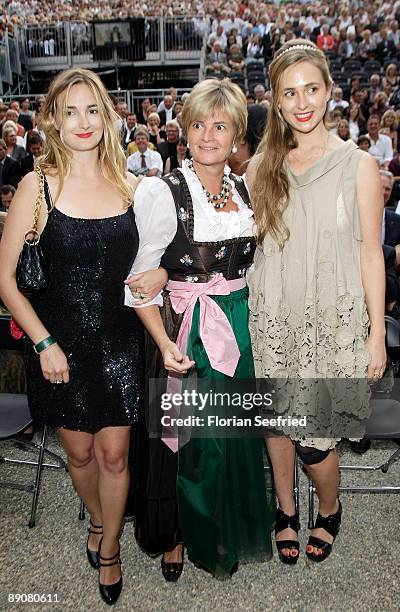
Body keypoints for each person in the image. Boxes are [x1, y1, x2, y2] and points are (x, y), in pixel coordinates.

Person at [0, 68, 166, 606]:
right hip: (58, 350)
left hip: (119, 344)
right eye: (70, 111)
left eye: (93, 109)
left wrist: (161, 274)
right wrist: (44, 343)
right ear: (51, 119)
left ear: (108, 116)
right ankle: (97, 518)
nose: (83, 122)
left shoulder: (132, 186)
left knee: (115, 454)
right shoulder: (36, 185)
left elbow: (163, 256)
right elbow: (6, 282)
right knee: (79, 456)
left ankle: (111, 544)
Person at [125, 78, 275, 580]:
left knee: (233, 437)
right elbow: (139, 282)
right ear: (183, 132)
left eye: (220, 125)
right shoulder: (162, 191)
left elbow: (251, 268)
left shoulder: (243, 188)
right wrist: (165, 342)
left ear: (236, 136)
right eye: (197, 124)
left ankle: (222, 530)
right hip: (186, 329)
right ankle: (177, 534)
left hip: (239, 325)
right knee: (190, 445)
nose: (208, 136)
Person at [246, 39, 386, 564]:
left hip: (331, 321)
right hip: (274, 316)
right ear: (276, 101)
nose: (302, 102)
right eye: (289, 93)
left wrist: (376, 334)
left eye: (311, 88)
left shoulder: (359, 166)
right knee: (278, 422)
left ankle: (329, 506)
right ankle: (285, 509)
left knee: (315, 440)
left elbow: (372, 253)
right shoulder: (261, 168)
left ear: (329, 90)